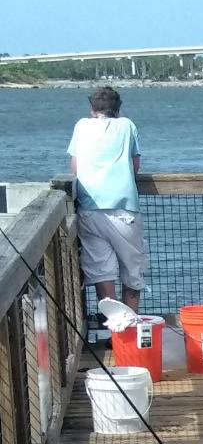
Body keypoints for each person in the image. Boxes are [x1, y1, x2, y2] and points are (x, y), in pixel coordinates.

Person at [68, 86, 148, 313]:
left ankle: (115, 327)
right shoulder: (127, 125)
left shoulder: (81, 126)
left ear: (92, 109)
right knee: (132, 271)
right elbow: (135, 165)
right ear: (118, 108)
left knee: (102, 272)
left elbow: (75, 167)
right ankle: (130, 327)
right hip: (123, 209)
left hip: (89, 209)